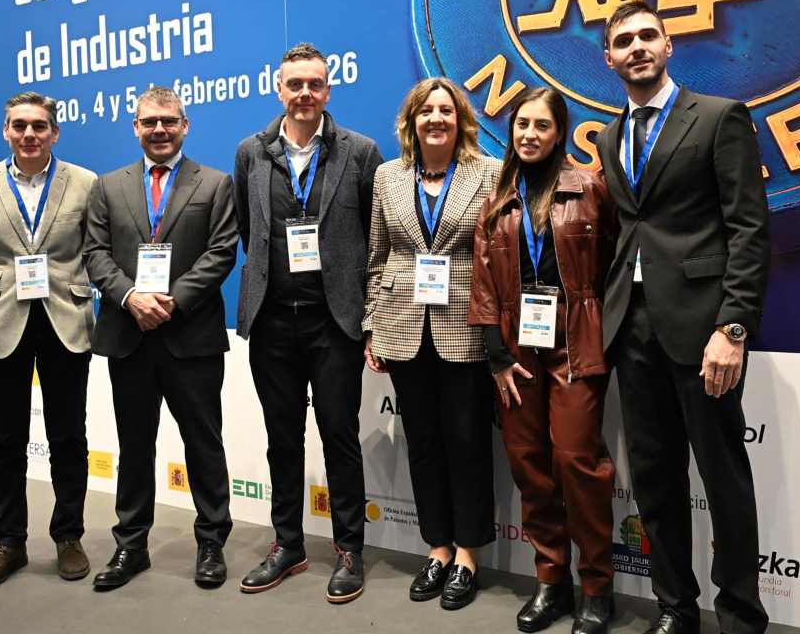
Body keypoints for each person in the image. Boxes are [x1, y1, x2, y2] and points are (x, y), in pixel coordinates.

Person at [596, 0, 772, 634]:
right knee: (654, 478)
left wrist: (733, 328)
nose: (638, 46)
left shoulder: (720, 118)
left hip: (703, 330)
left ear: (669, 46)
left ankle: (740, 617)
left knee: (723, 478)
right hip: (633, 329)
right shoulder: (610, 136)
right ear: (609, 58)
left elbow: (748, 230)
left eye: (649, 35)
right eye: (624, 40)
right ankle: (675, 606)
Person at [233, 43, 383, 604]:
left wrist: (365, 317)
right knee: (281, 439)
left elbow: (373, 237)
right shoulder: (251, 152)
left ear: (328, 89)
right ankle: (288, 544)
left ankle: (349, 550)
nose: (304, 94)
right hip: (272, 322)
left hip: (333, 322)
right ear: (279, 89)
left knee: (339, 437)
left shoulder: (359, 151)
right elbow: (251, 232)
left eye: (314, 84)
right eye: (294, 85)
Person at [468, 88, 618, 634]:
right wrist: (496, 356)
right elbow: (483, 282)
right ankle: (551, 582)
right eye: (521, 125)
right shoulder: (499, 199)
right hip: (516, 352)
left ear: (559, 133)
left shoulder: (591, 188)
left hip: (575, 344)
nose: (529, 134)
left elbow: (617, 264)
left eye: (541, 126)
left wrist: (610, 333)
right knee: (530, 466)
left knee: (577, 463)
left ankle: (597, 589)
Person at [85, 86, 238, 591]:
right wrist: (130, 297)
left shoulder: (215, 184)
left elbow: (220, 253)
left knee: (203, 443)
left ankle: (211, 543)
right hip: (129, 336)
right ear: (135, 126)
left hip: (189, 335)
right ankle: (131, 545)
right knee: (133, 445)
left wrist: (171, 300)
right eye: (149, 121)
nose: (159, 130)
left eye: (169, 121)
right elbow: (96, 253)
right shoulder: (108, 187)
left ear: (185, 124)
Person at [362, 77, 498, 610]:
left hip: (464, 325)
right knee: (422, 442)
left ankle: (467, 554)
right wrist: (373, 324)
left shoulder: (486, 172)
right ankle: (437, 547)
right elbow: (377, 256)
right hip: (402, 325)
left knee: (466, 441)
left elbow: (498, 255)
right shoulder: (387, 177)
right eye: (426, 111)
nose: (435, 119)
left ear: (460, 119)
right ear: (411, 122)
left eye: (446, 110)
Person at [0, 91, 97, 590]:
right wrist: (3, 290)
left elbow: (91, 248)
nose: (29, 135)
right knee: (5, 439)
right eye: (19, 126)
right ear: (6, 132)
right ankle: (9, 542)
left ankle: (68, 537)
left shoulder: (83, 182)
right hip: (1, 321)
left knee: (68, 436)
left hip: (65, 316)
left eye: (39, 126)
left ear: (54, 133)